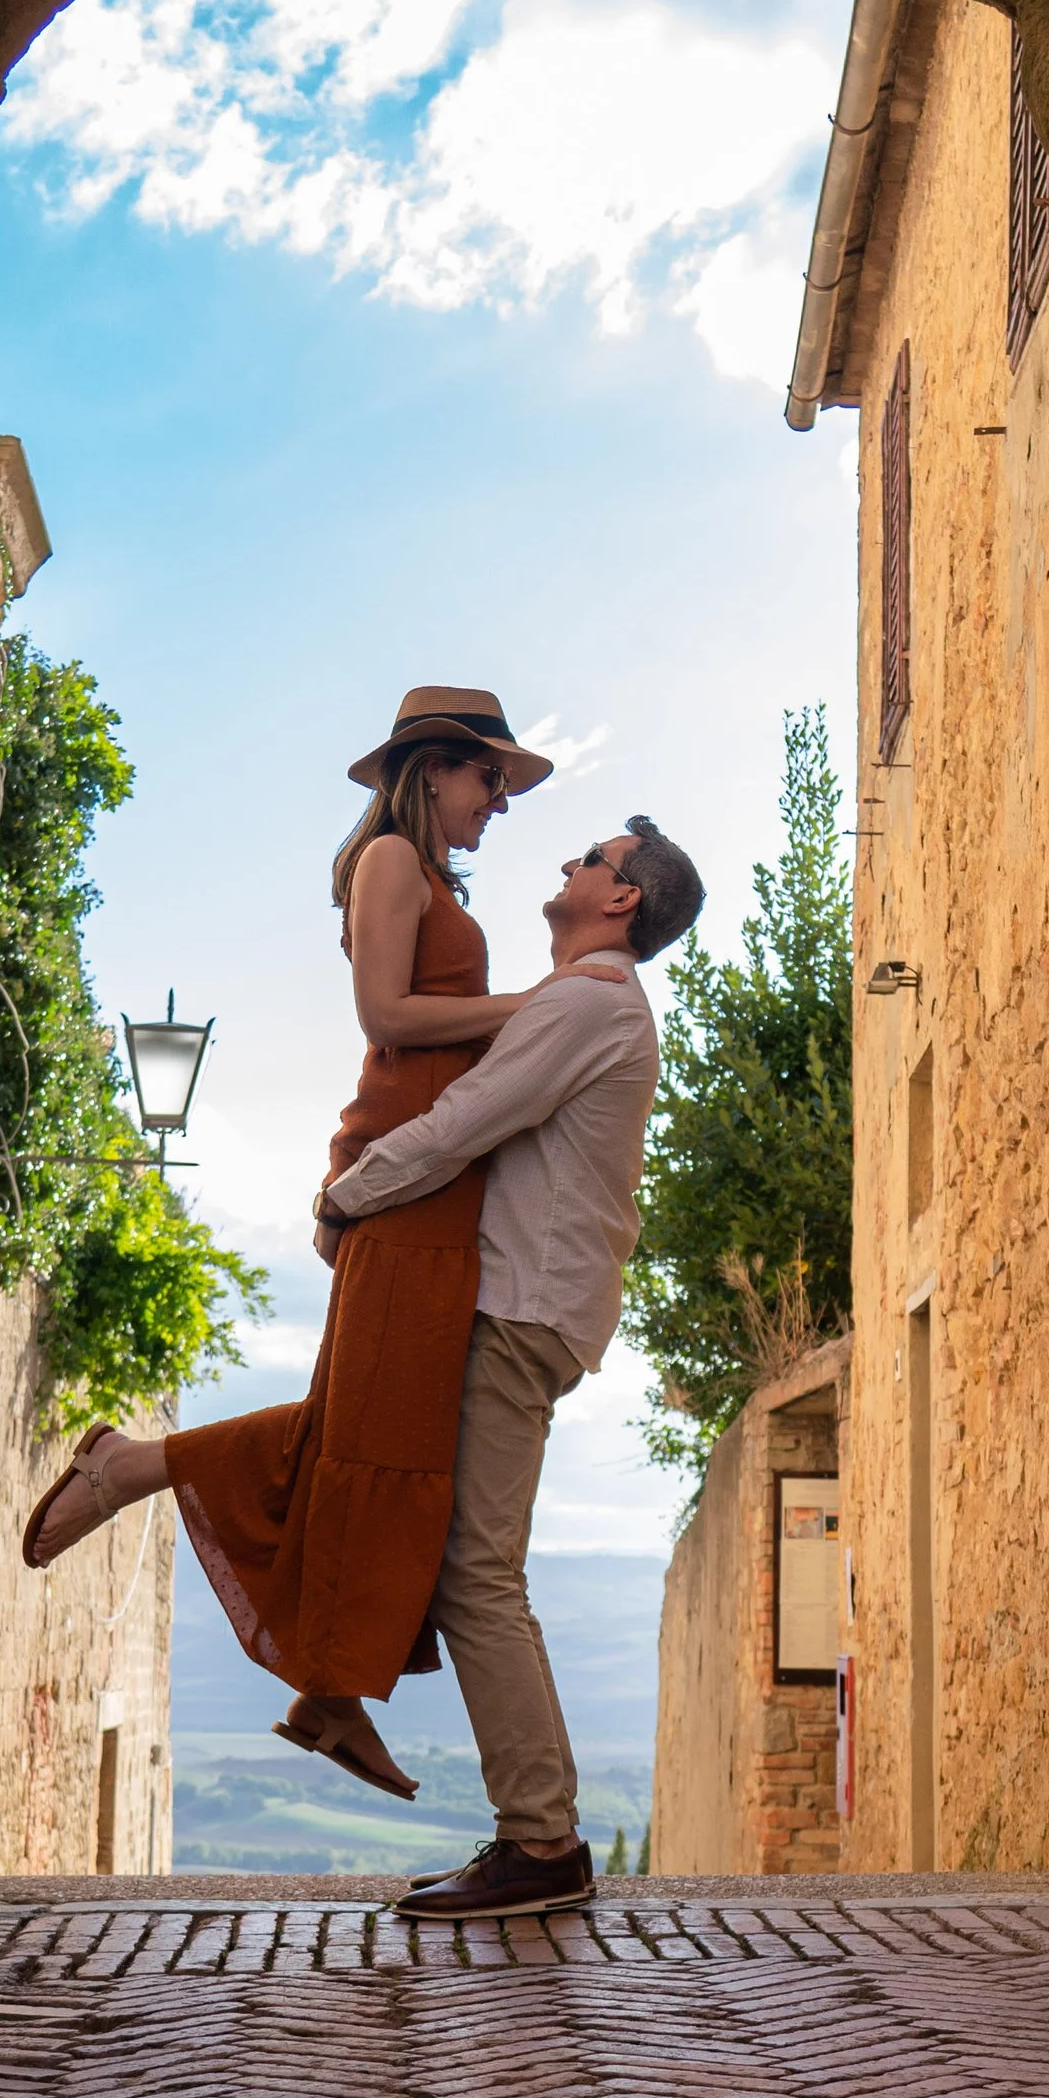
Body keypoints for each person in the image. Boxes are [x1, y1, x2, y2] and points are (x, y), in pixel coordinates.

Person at [20, 686, 553, 1802]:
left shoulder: (430, 873)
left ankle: (327, 1686)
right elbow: (385, 1018)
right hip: (402, 1179)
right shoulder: (392, 861)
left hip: (434, 1185)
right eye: (489, 777)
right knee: (377, 1442)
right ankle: (135, 1475)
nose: (500, 803)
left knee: (378, 1436)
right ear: (435, 766)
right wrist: (530, 1010)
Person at [320, 813, 704, 1924]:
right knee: (465, 1558)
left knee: (479, 1574)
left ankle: (540, 1840)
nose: (568, 867)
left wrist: (348, 1192)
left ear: (621, 899)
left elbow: (466, 1120)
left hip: (522, 1306)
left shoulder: (587, 1001)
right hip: (533, 1303)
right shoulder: (586, 1005)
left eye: (590, 859)